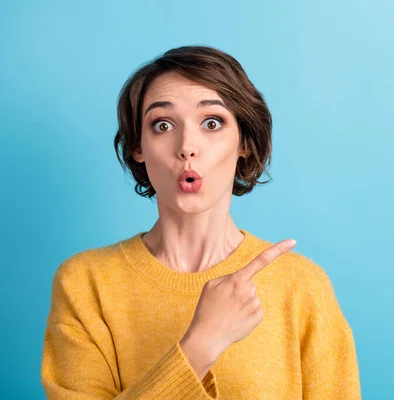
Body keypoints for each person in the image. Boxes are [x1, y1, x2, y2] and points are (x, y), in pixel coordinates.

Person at [40, 45, 361, 399]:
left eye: (212, 123)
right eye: (163, 125)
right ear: (138, 147)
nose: (187, 146)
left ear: (245, 143)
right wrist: (201, 345)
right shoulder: (85, 283)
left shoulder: (302, 285)